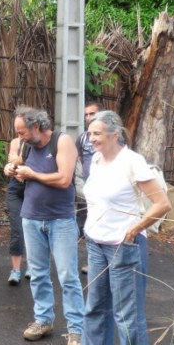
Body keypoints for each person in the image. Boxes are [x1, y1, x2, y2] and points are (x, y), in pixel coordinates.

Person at [66, 110, 171, 345]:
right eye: (90, 133)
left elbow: (162, 204)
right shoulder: (97, 160)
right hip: (97, 243)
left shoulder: (132, 162)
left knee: (127, 314)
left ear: (115, 133)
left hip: (124, 246)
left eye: (97, 133)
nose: (91, 138)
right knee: (96, 304)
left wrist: (135, 229)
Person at [5, 106, 85, 345]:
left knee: (68, 276)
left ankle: (76, 330)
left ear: (36, 126)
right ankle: (43, 320)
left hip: (60, 219)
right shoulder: (25, 145)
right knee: (38, 273)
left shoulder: (62, 142)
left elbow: (63, 179)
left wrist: (33, 174)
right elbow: (18, 169)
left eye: (23, 132)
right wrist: (12, 170)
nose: (20, 137)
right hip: (31, 217)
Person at [75, 100, 100, 275]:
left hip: (105, 191)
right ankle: (92, 261)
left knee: (100, 224)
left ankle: (99, 263)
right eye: (86, 114)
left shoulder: (112, 136)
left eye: (92, 113)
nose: (89, 117)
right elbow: (81, 159)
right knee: (85, 225)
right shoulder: (82, 138)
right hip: (88, 189)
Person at [3, 137, 28, 284]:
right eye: (18, 131)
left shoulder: (41, 142)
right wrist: (9, 167)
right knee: (17, 230)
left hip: (34, 188)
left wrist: (17, 161)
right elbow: (12, 161)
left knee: (34, 229)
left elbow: (18, 160)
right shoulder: (15, 142)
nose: (21, 134)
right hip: (15, 189)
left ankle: (33, 266)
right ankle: (16, 270)